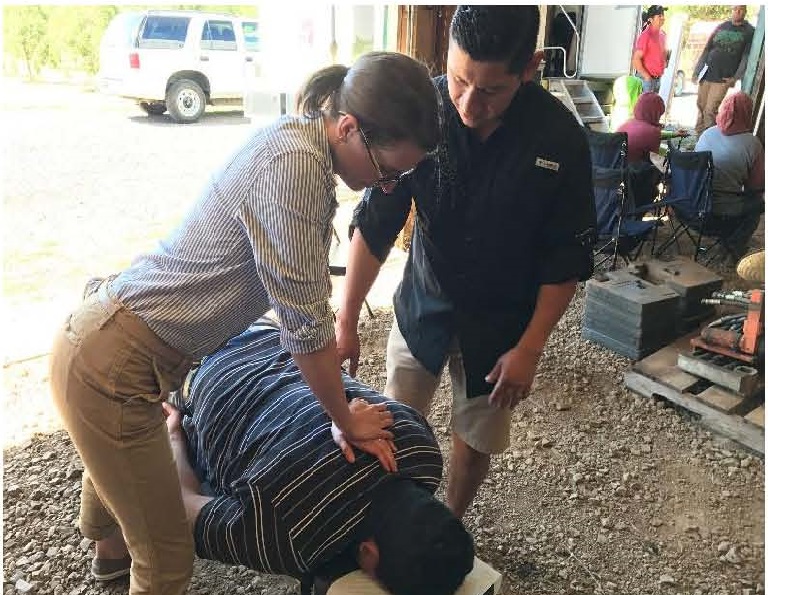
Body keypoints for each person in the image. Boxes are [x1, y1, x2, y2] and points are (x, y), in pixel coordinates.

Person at [49, 51, 440, 595]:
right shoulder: (295, 168)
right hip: (111, 361)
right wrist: (344, 419)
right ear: (348, 128)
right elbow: (304, 325)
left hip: (115, 345)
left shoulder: (300, 143)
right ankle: (120, 560)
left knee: (118, 456)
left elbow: (301, 312)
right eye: (388, 171)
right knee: (165, 562)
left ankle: (109, 560)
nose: (388, 187)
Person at [335, 6, 596, 519]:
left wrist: (530, 348)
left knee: (477, 436)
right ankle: (394, 522)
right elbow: (378, 219)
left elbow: (565, 257)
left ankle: (451, 520)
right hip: (422, 307)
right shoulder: (423, 109)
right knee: (395, 423)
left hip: (503, 326)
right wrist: (346, 317)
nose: (469, 103)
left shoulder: (560, 139)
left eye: (491, 90)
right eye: (459, 80)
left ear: (531, 66)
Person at [164, 319, 475, 595]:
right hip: (197, 370)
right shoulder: (285, 534)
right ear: (368, 553)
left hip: (271, 333)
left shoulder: (421, 448)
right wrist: (174, 437)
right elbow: (183, 509)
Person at [694, 91, 764, 258]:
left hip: (693, 207)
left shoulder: (707, 133)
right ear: (748, 113)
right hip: (721, 214)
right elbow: (754, 187)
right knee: (757, 204)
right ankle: (733, 247)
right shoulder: (752, 144)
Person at [693, 5, 755, 135]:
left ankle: (710, 141)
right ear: (732, 10)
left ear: (745, 11)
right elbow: (707, 49)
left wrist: (735, 77)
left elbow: (746, 57)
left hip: (723, 78)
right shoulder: (722, 26)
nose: (738, 11)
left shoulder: (749, 31)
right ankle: (699, 139)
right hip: (707, 73)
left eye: (741, 9)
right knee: (701, 106)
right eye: (735, 8)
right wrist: (697, 71)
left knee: (710, 110)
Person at [632, 5, 668, 94]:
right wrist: (647, 77)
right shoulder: (646, 36)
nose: (662, 17)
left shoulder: (662, 35)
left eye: (663, 15)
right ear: (651, 20)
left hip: (657, 80)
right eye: (659, 16)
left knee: (653, 107)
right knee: (646, 107)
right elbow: (636, 60)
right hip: (647, 81)